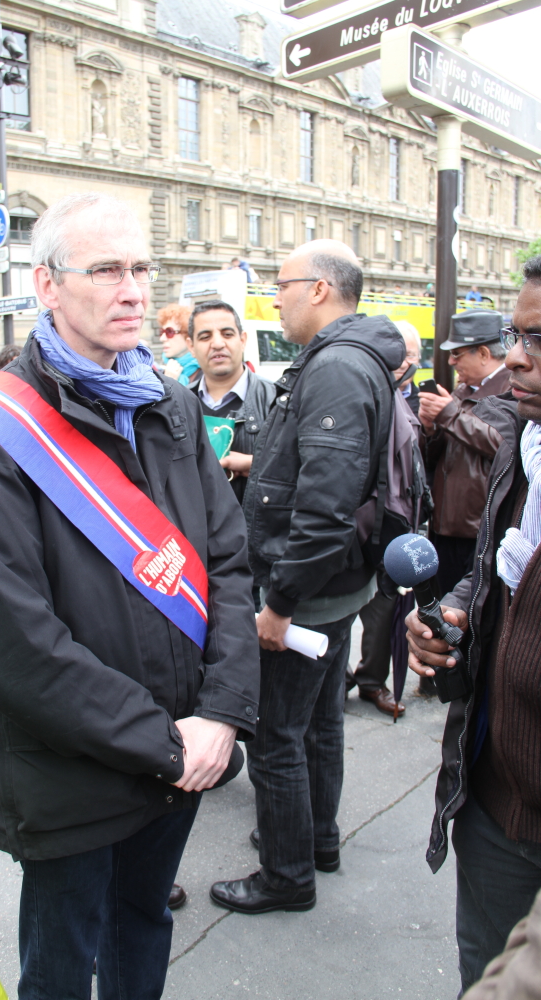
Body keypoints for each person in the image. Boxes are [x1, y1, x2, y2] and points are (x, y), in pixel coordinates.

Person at [0, 191, 260, 1000]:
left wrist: (218, 717)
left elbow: (227, 569)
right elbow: (13, 647)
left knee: (143, 930)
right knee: (62, 965)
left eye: (142, 269)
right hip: (73, 774)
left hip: (182, 756)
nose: (134, 290)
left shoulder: (171, 406)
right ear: (46, 285)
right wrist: (170, 742)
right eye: (106, 270)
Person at [210, 239, 405, 914]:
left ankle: (285, 874)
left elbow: (322, 509)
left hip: (309, 591)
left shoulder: (336, 369)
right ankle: (317, 840)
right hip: (339, 584)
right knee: (318, 724)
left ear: (318, 289)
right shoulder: (348, 361)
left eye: (282, 283)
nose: (275, 295)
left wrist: (279, 604)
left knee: (275, 737)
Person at [405, 255, 541, 994]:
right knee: (478, 968)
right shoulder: (528, 444)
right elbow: (491, 565)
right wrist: (458, 609)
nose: (518, 357)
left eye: (538, 338)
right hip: (488, 796)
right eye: (518, 337)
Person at [347, 320, 422, 716]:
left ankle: (371, 681)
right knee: (340, 609)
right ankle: (337, 678)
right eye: (394, 354)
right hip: (357, 523)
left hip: (397, 525)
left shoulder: (427, 400)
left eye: (407, 356)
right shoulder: (360, 390)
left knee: (383, 611)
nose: (399, 363)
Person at [419, 310, 510, 598]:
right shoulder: (461, 391)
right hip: (446, 528)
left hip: (480, 531)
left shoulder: (512, 390)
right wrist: (430, 428)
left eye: (457, 354)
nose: (451, 362)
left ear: (483, 353)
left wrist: (448, 414)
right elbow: (436, 457)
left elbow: (503, 445)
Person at [186, 300, 275, 504]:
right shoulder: (174, 404)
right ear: (191, 345)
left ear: (243, 339)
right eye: (205, 336)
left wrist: (255, 464)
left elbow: (303, 468)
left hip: (255, 530)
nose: (217, 344)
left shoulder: (277, 401)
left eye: (227, 334)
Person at [156, 304, 200, 386]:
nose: (162, 338)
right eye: (162, 332)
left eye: (170, 332)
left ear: (188, 335)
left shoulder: (206, 373)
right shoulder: (162, 371)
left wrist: (171, 385)